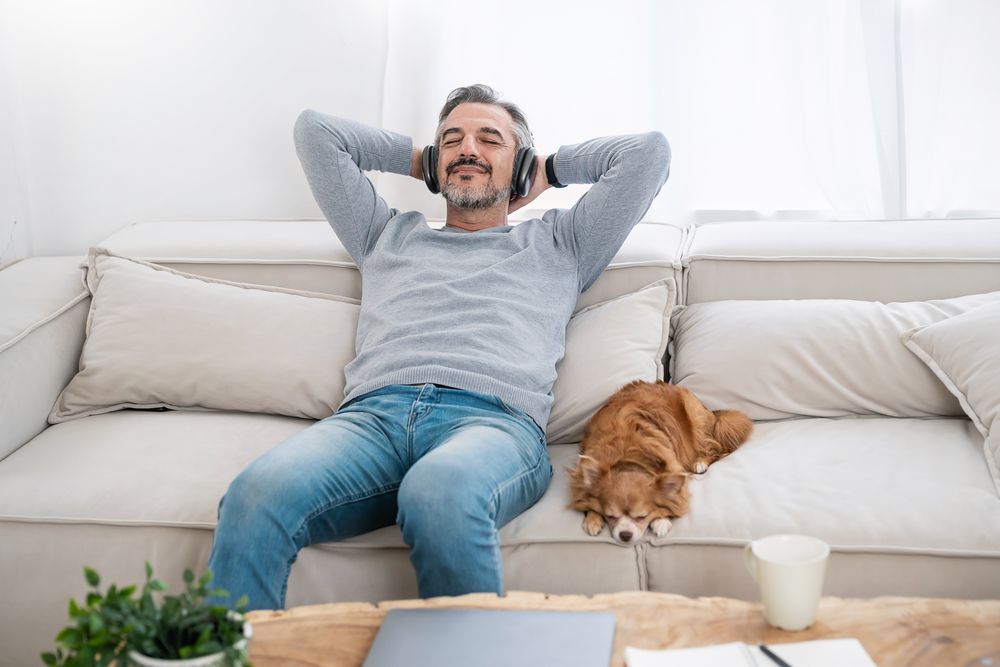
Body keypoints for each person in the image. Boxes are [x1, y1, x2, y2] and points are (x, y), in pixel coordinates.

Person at [206, 84, 671, 610]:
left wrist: (547, 169)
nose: (467, 149)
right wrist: (420, 160)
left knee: (439, 491)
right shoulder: (383, 234)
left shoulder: (561, 243)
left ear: (516, 163)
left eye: (489, 139)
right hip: (370, 421)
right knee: (253, 495)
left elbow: (647, 153)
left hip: (493, 424)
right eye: (451, 140)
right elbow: (317, 131)